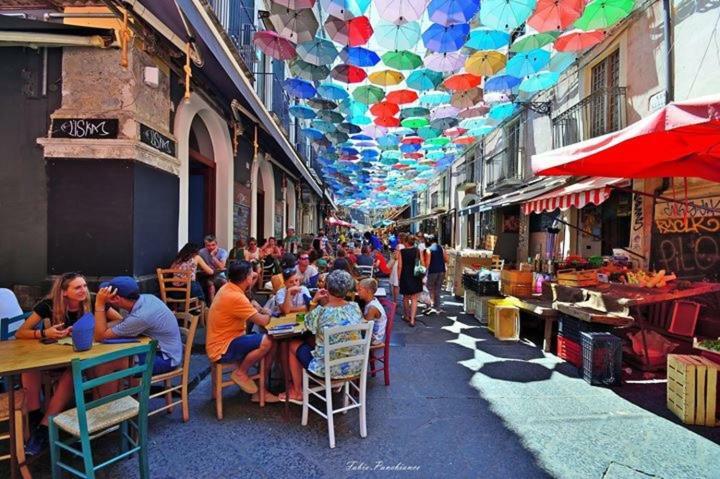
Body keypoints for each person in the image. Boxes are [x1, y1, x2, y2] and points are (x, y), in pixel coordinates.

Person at [16, 272, 101, 455]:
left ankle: (43, 428)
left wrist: (94, 331)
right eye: (78, 287)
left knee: (73, 372)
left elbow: (118, 319)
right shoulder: (47, 305)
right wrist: (45, 334)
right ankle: (34, 416)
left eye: (85, 286)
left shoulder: (92, 302)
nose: (84, 291)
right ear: (64, 292)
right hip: (53, 356)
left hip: (80, 358)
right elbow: (21, 333)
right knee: (30, 368)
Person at [280, 270, 365, 403]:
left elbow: (307, 325)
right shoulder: (355, 307)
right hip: (354, 366)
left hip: (327, 370)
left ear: (327, 288)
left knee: (293, 344)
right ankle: (337, 385)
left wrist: (314, 301)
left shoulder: (321, 312)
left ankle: (297, 391)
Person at [206, 261, 277, 400]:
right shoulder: (236, 297)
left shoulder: (228, 287)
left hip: (221, 342)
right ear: (246, 278)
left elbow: (251, 293)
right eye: (251, 274)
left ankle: (260, 388)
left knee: (264, 341)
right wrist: (269, 312)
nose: (254, 276)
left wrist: (252, 276)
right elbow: (263, 321)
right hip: (223, 348)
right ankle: (242, 373)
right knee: (269, 341)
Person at [93, 276, 183, 376]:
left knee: (106, 363)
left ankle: (116, 392)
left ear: (116, 298)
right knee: (111, 356)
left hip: (165, 358)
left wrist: (99, 304)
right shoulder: (146, 298)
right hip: (156, 349)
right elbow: (122, 323)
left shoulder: (141, 317)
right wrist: (92, 328)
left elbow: (100, 336)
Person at [397, 234, 423, 326]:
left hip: (405, 276)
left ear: (406, 242)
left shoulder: (402, 252)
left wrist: (399, 278)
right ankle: (412, 320)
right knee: (414, 298)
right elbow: (422, 263)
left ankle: (407, 316)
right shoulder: (417, 251)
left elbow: (400, 266)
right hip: (416, 276)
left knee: (405, 298)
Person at [198, 234, 229, 303]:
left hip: (219, 275)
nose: (211, 247)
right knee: (210, 283)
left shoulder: (223, 252)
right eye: (208, 245)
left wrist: (213, 256)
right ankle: (213, 305)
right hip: (207, 275)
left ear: (216, 244)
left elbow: (221, 267)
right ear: (205, 245)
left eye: (213, 245)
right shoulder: (201, 252)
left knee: (224, 283)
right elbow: (199, 266)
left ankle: (224, 303)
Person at [357, 278, 387, 346]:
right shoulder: (371, 301)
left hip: (374, 339)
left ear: (368, 291)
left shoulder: (372, 308)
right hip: (371, 334)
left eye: (360, 290)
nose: (357, 292)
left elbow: (364, 327)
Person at [423, 235, 448, 315]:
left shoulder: (428, 249)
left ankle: (429, 306)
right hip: (441, 270)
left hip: (432, 271)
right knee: (437, 289)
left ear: (429, 241)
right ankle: (437, 307)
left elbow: (428, 263)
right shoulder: (441, 248)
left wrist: (424, 272)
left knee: (429, 288)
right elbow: (446, 259)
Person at [388, 234, 405, 304]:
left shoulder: (399, 246)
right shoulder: (405, 247)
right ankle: (404, 299)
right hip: (403, 264)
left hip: (397, 265)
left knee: (396, 284)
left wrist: (394, 255)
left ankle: (395, 301)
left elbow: (396, 257)